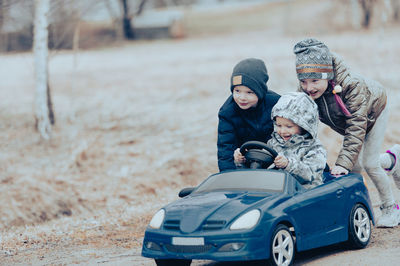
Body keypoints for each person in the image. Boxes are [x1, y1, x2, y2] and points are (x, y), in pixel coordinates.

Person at [293, 37, 400, 227]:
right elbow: (301, 122)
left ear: (327, 75)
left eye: (315, 81)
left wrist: (343, 162)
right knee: (355, 168)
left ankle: (391, 209)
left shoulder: (352, 86)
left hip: (373, 113)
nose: (309, 88)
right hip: (350, 122)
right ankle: (392, 160)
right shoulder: (307, 93)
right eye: (304, 82)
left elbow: (357, 126)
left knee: (370, 164)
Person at [239, 92, 326, 189]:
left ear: (303, 126)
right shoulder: (273, 143)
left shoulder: (314, 148)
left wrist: (288, 165)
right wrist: (242, 161)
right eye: (279, 125)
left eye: (289, 126)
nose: (282, 131)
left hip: (304, 194)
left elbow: (310, 175)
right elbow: (260, 170)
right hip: (276, 191)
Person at [217, 58, 280, 172]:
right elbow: (225, 149)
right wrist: (227, 176)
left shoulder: (276, 104)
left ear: (260, 91)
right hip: (245, 160)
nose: (242, 97)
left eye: (249, 92)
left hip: (277, 158)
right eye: (237, 91)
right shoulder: (227, 112)